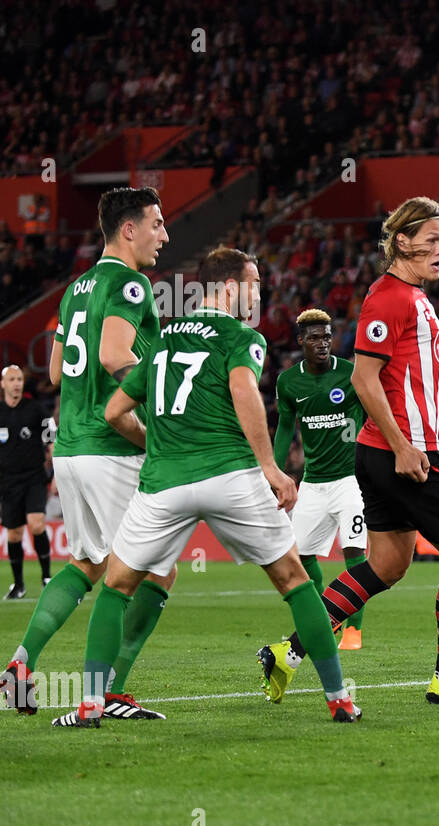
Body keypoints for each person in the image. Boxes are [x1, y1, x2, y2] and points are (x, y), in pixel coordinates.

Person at [53, 247, 359, 727]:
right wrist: (271, 469)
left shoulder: (165, 338)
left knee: (115, 586)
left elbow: (114, 412)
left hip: (163, 483)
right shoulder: (242, 336)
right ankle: (340, 699)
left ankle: (90, 703)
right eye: (254, 283)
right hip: (230, 475)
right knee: (296, 581)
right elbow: (243, 393)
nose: (259, 292)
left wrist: (156, 444)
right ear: (231, 286)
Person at [259, 197, 439, 707]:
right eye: (432, 239)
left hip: (392, 452)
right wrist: (403, 446)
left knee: (386, 565)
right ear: (403, 240)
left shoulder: (413, 296)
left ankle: (288, 653)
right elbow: (365, 380)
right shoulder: (387, 298)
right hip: (406, 455)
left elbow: (410, 376)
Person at [2, 188, 176, 720]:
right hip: (113, 446)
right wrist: (161, 408)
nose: (164, 235)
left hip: (73, 449)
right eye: (157, 224)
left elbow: (55, 373)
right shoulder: (130, 283)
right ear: (128, 229)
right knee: (157, 571)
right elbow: (114, 355)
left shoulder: (75, 289)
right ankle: (109, 691)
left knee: (88, 563)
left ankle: (20, 666)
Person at [272, 309, 369, 650]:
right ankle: (322, 619)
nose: (322, 343)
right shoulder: (288, 382)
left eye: (327, 336)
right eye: (314, 337)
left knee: (354, 551)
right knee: (301, 559)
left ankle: (353, 630)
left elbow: (375, 414)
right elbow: (285, 429)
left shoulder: (352, 374)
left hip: (351, 481)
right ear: (300, 341)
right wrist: (274, 471)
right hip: (313, 483)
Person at [0, 365, 54, 598]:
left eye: (19, 379)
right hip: (7, 482)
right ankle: (18, 584)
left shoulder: (36, 409)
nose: (17, 383)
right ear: (3, 384)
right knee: (13, 534)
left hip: (34, 477)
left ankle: (46, 577)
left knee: (37, 524)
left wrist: (56, 475)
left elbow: (51, 442)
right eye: (11, 379)